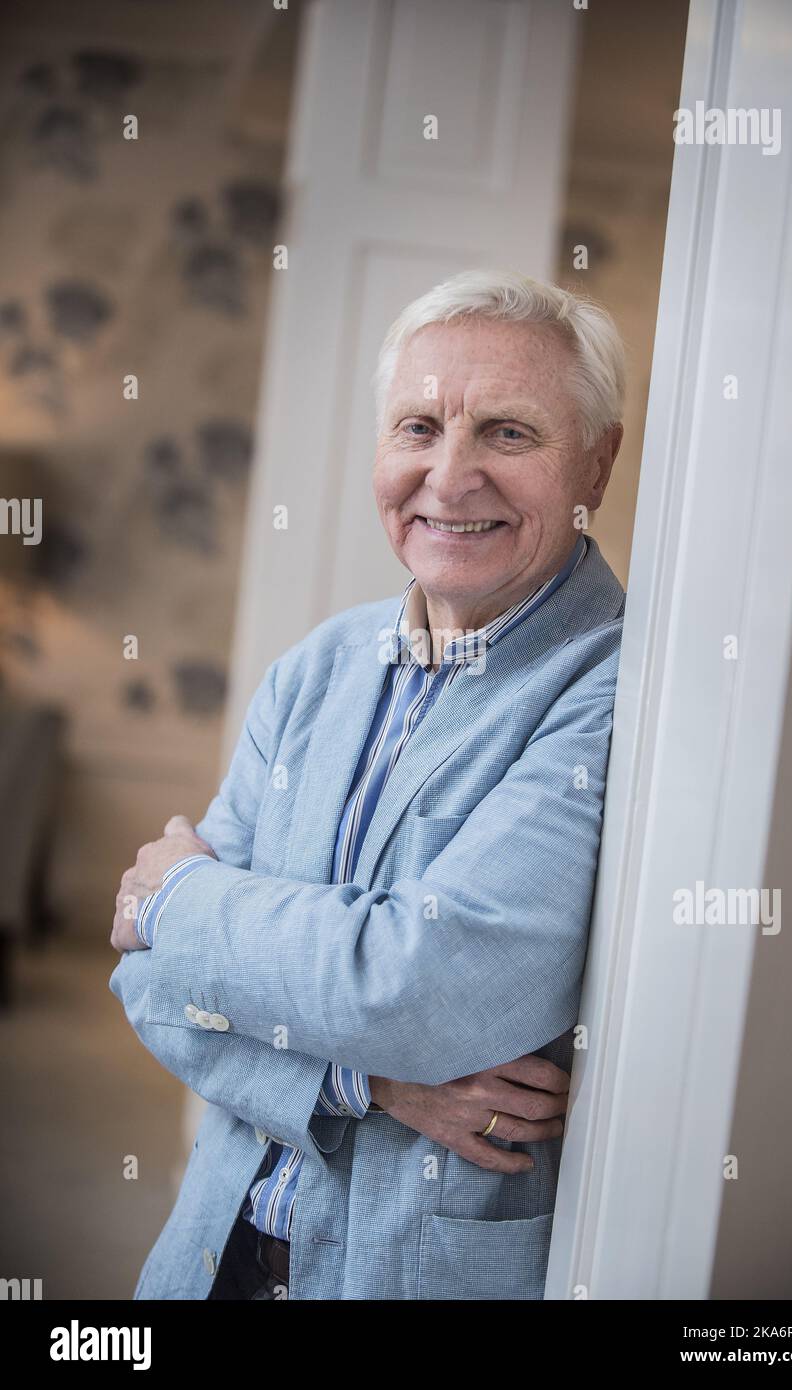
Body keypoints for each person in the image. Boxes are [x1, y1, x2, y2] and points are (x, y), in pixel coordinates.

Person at [110, 268, 626, 1300]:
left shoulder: (616, 688)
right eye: (418, 427)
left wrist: (179, 897)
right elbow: (151, 986)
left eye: (509, 434)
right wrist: (369, 1080)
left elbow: (415, 985)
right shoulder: (316, 667)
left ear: (596, 463)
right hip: (212, 1255)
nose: (451, 475)